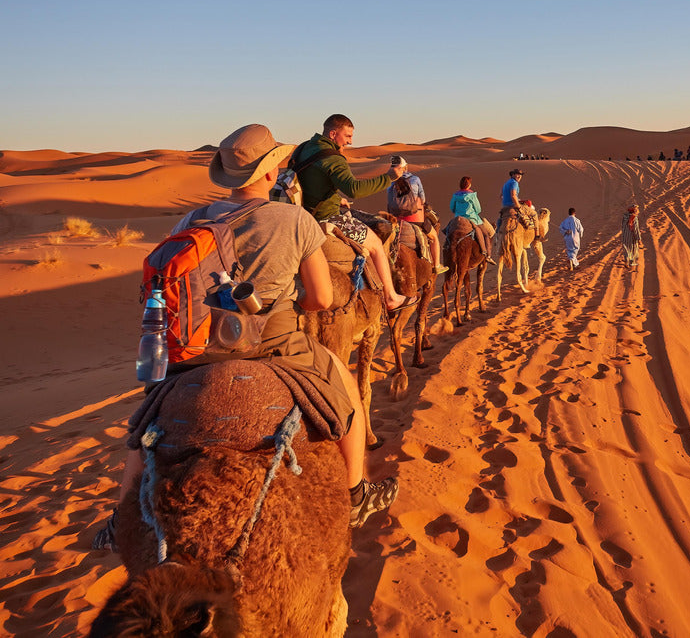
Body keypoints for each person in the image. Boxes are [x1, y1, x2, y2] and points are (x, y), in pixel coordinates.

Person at [94, 125, 397, 551]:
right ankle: (355, 495)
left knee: (147, 421)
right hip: (273, 342)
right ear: (271, 174)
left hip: (196, 348)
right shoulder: (295, 219)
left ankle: (119, 519)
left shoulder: (193, 219)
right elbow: (321, 299)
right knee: (344, 393)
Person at [293, 114, 412, 312]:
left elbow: (307, 181)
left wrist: (333, 197)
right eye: (347, 136)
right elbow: (354, 189)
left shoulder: (303, 148)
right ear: (333, 134)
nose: (350, 141)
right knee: (375, 244)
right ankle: (391, 297)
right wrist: (389, 177)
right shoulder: (332, 158)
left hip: (302, 215)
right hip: (326, 217)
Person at [387, 158, 447, 274]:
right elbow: (423, 199)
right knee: (434, 237)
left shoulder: (390, 183)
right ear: (406, 167)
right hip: (415, 219)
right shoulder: (415, 179)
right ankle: (436, 265)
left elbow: (389, 202)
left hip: (395, 220)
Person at [449, 176, 496, 264]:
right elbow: (478, 209)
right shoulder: (472, 195)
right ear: (469, 185)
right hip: (472, 218)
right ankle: (487, 255)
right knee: (486, 234)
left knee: (448, 230)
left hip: (458, 218)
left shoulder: (455, 195)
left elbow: (452, 208)